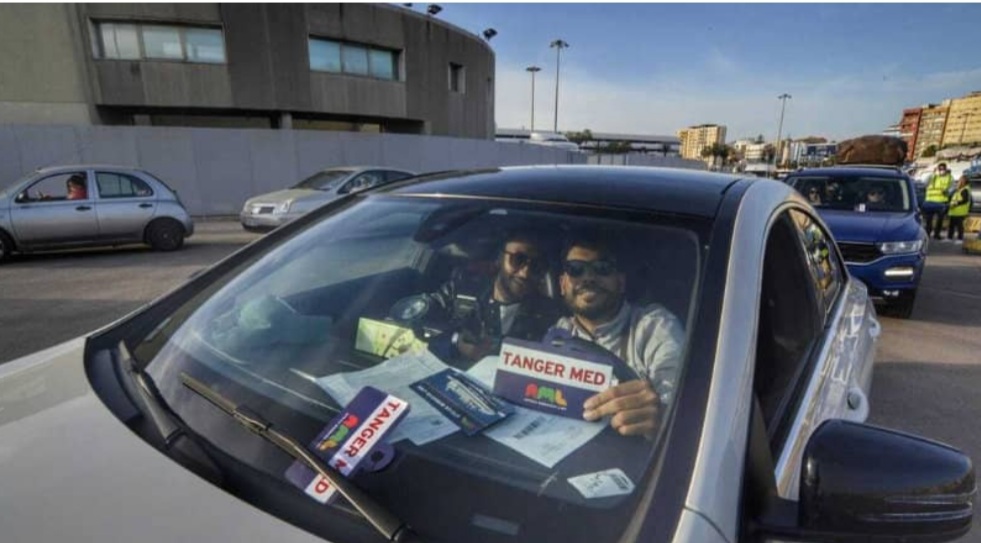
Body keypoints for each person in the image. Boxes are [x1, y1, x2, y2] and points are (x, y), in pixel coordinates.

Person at [550, 235, 685, 439]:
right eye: (576, 269)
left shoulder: (654, 327)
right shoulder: (557, 334)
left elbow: (676, 402)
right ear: (562, 285)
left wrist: (661, 415)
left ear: (621, 282)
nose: (588, 278)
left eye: (602, 268)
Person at [420, 230, 562, 364]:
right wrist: (455, 342)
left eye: (536, 266)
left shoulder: (550, 317)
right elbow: (415, 332)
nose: (525, 273)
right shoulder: (458, 291)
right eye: (518, 260)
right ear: (499, 259)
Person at [922, 163, 954, 240]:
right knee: (928, 220)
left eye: (943, 169)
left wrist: (948, 192)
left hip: (941, 202)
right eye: (940, 169)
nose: (941, 171)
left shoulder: (949, 177)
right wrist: (932, 173)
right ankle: (927, 234)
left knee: (940, 220)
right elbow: (924, 183)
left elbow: (952, 187)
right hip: (930, 201)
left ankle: (937, 234)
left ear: (946, 169)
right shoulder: (933, 176)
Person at [947, 175, 972, 243]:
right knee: (951, 225)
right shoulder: (960, 189)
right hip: (954, 211)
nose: (959, 182)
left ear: (964, 181)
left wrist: (956, 203)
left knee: (959, 226)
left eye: (960, 180)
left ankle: (960, 239)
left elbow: (965, 200)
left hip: (960, 211)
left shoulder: (965, 190)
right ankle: (949, 237)